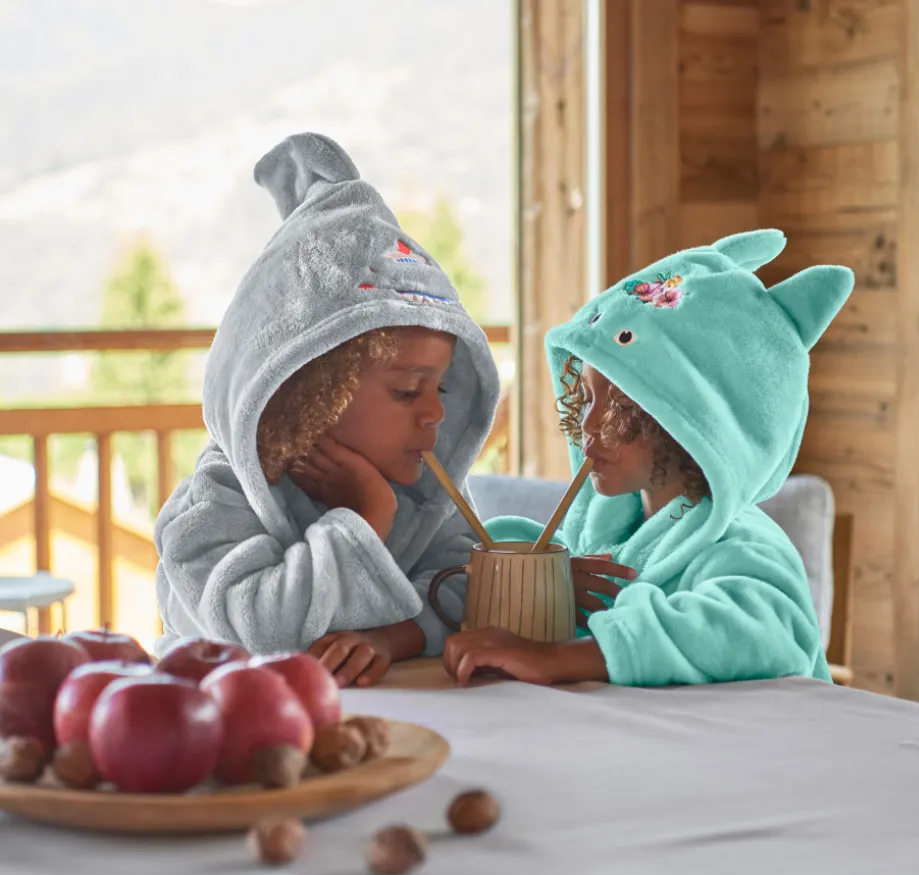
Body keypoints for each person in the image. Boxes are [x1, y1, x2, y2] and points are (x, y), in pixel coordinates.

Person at [155, 132, 499, 687]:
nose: (435, 414)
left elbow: (465, 585)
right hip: (239, 720)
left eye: (443, 389)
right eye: (407, 391)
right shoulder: (218, 500)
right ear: (309, 389)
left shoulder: (427, 491)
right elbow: (259, 634)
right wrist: (362, 519)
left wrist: (394, 638)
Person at [443, 229, 853, 688]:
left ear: (694, 422)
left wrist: (558, 658)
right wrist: (545, 581)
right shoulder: (609, 535)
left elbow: (762, 630)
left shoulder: (738, 543)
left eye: (620, 407)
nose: (588, 425)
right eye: (587, 397)